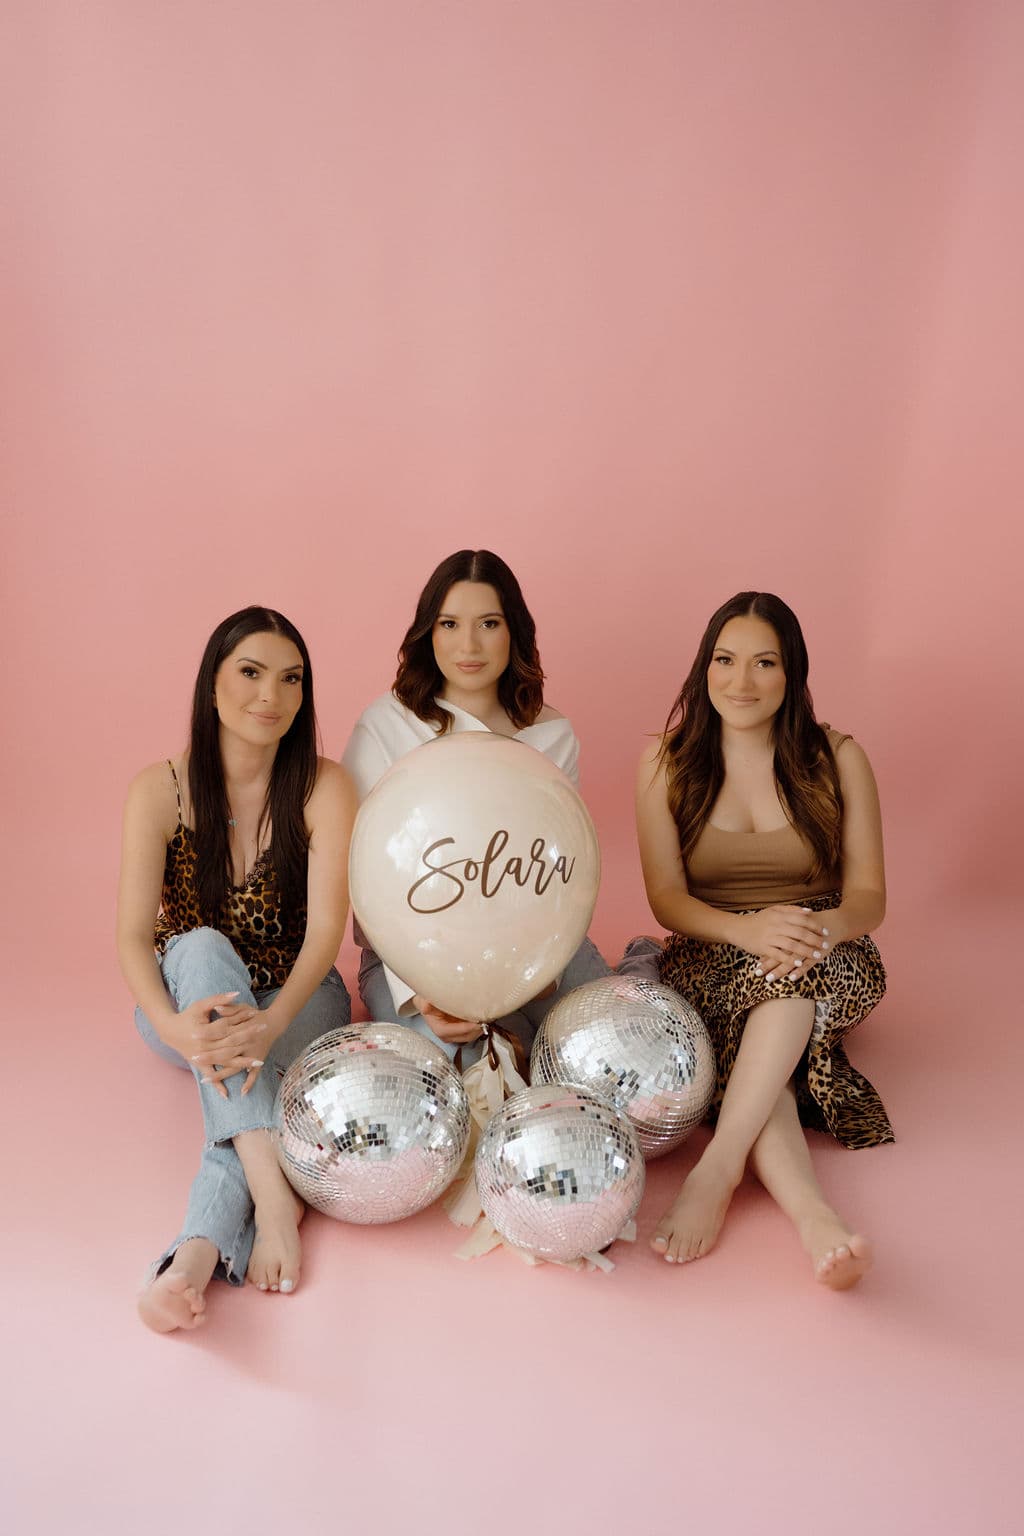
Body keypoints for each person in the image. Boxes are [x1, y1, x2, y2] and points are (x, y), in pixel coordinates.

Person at [634, 591, 892, 1289]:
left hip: (825, 944)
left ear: (792, 675)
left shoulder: (838, 757)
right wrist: (747, 930)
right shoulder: (664, 762)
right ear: (704, 668)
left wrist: (816, 929)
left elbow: (869, 895)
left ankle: (716, 1168)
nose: (740, 682)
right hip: (713, 945)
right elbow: (667, 898)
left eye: (763, 663)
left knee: (788, 982)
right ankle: (814, 1218)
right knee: (764, 1050)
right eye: (724, 660)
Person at [118, 607, 357, 1333]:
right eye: (251, 673)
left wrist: (271, 1022)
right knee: (191, 947)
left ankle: (191, 1257)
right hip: (185, 1011)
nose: (271, 696)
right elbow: (133, 938)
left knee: (244, 1077)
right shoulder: (158, 790)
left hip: (297, 1000)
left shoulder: (325, 786)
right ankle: (276, 1199)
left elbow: (326, 933)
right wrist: (175, 1028)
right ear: (212, 686)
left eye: (291, 679)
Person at [342, 549, 608, 1065]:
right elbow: (362, 878)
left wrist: (539, 971)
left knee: (598, 1050)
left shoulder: (552, 736)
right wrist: (421, 989)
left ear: (514, 632)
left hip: (538, 951)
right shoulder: (385, 726)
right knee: (465, 1073)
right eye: (449, 624)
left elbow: (564, 871)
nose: (469, 645)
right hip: (413, 962)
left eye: (488, 623)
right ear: (429, 633)